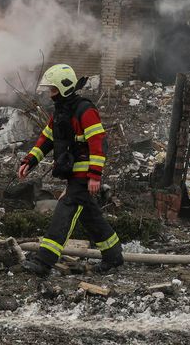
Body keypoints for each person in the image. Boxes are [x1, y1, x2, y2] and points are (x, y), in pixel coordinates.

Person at [18, 64, 123, 277]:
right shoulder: (60, 112)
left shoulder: (85, 110)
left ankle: (43, 262)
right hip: (74, 175)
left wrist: (94, 175)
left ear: (64, 88)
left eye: (53, 90)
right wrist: (30, 161)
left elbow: (98, 143)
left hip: (83, 176)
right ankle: (113, 256)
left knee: (65, 210)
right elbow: (46, 140)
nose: (51, 94)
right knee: (90, 216)